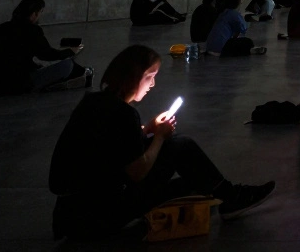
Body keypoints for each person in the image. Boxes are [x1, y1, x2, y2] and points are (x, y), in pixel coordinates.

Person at [49, 45, 274, 240]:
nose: (153, 84)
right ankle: (232, 197)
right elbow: (137, 171)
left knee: (193, 181)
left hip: (70, 215)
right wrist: (158, 137)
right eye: (150, 76)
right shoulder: (124, 113)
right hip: (96, 216)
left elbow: (110, 146)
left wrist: (147, 129)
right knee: (180, 147)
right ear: (132, 76)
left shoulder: (95, 102)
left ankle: (224, 193)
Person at [0, 0, 89, 96]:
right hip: (13, 86)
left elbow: (12, 57)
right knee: (67, 65)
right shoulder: (32, 30)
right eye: (40, 12)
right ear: (34, 14)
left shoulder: (0, 29)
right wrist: (71, 51)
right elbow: (47, 54)